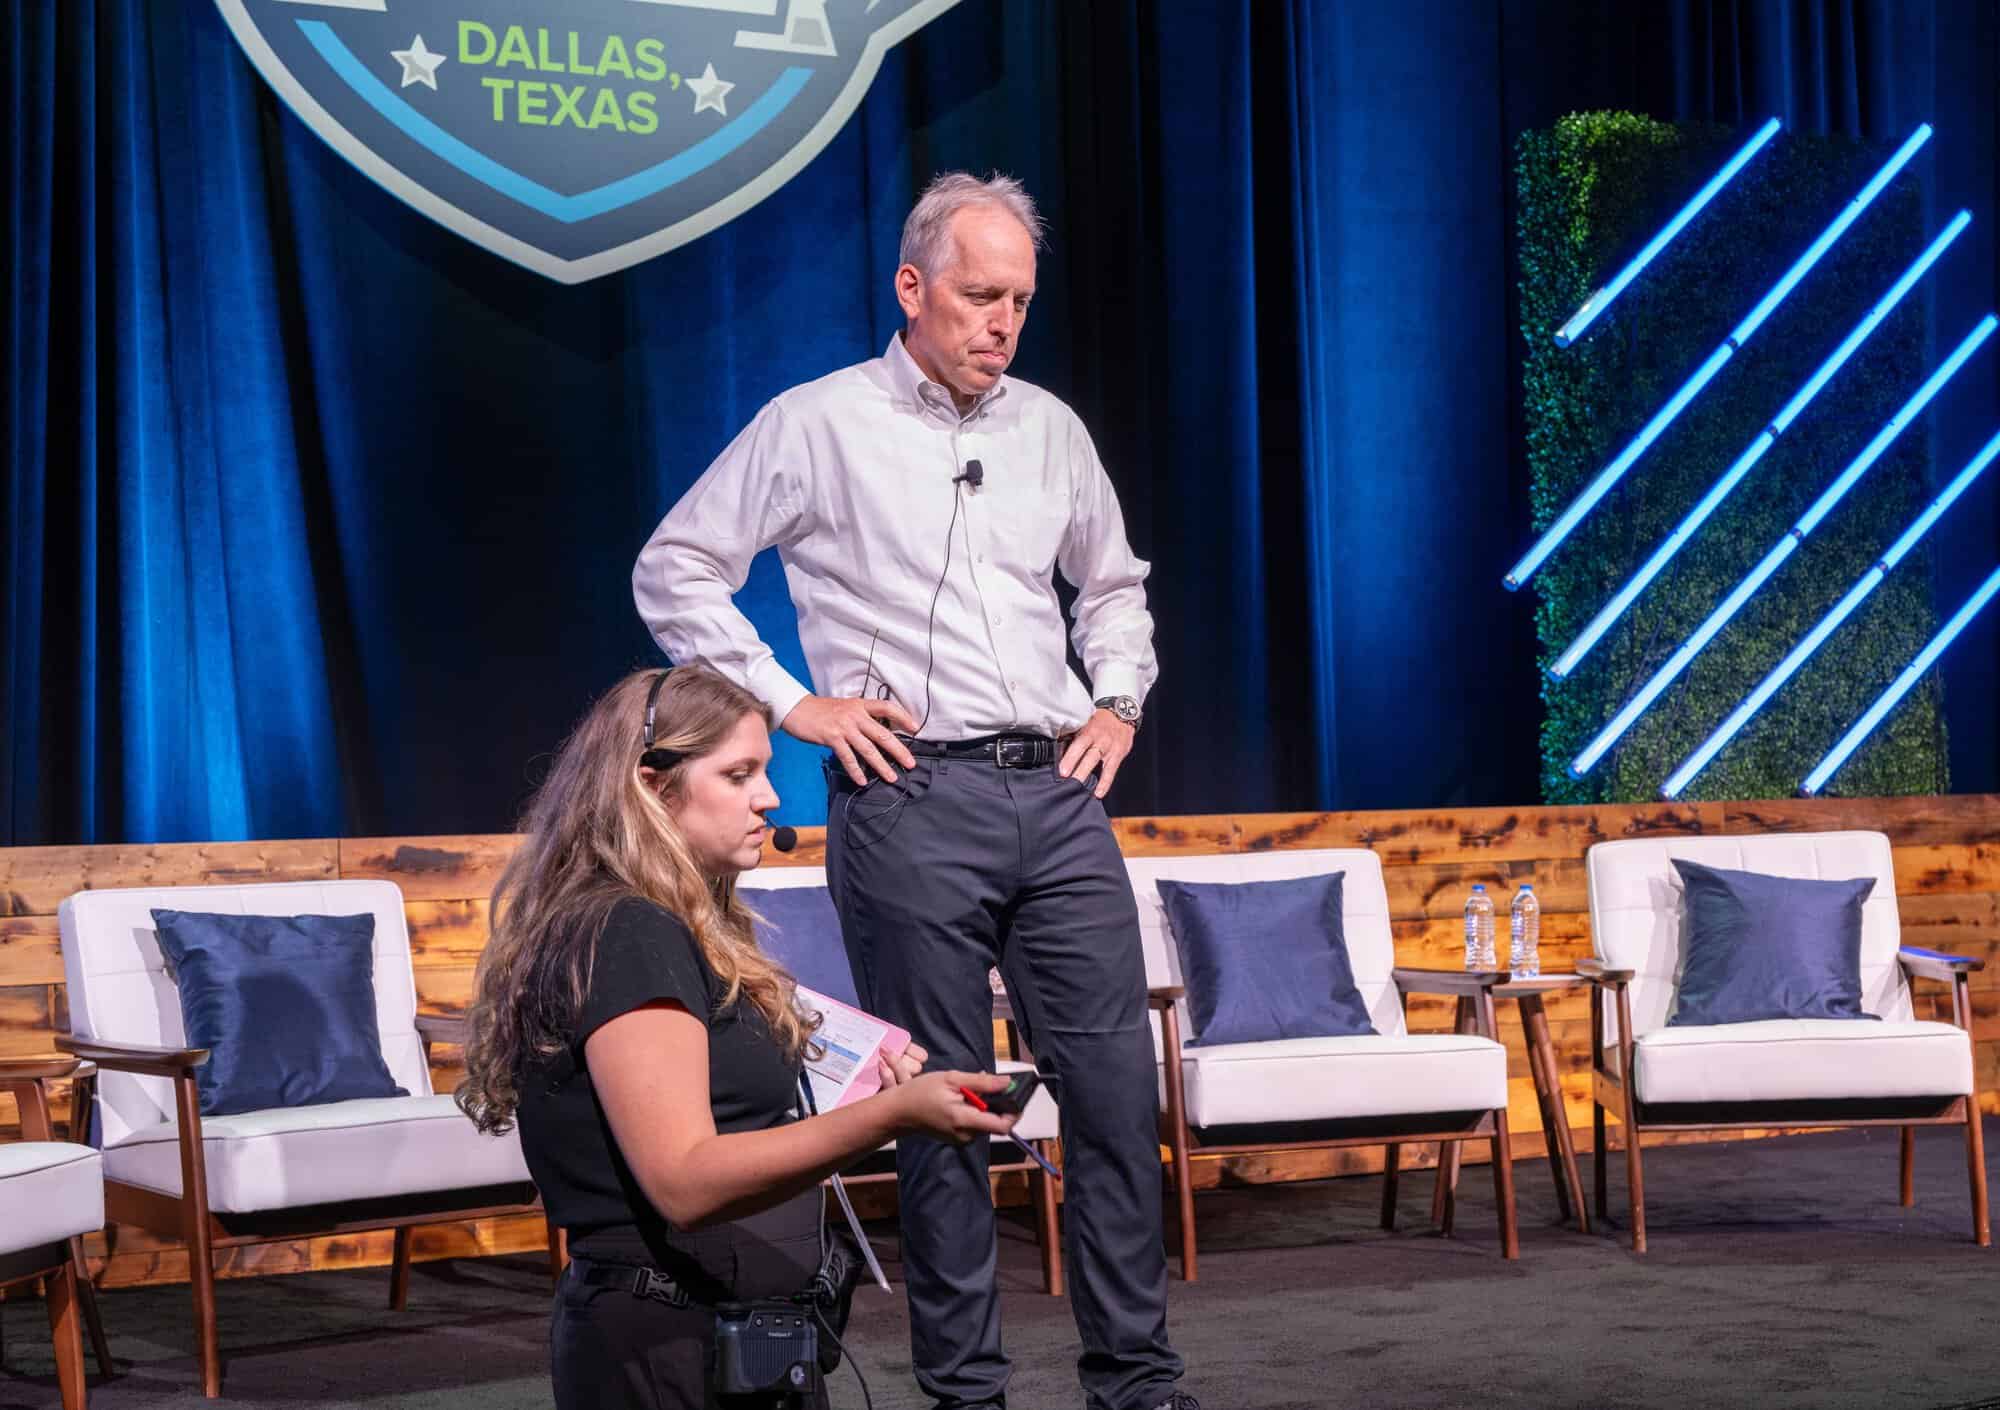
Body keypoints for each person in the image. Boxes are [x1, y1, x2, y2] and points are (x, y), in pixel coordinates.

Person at [633, 172, 1195, 1410]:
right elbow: (675, 567)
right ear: (912, 287)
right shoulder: (817, 421)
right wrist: (791, 706)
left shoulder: (1047, 428)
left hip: (1052, 796)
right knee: (940, 1113)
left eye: (1020, 301)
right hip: (905, 799)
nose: (1001, 321)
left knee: (1110, 1097)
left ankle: (1138, 1383)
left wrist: (1116, 699)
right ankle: (966, 1393)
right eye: (980, 294)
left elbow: (1112, 585)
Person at [457, 665, 1019, 1409]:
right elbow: (684, 1180)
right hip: (665, 1349)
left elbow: (722, 1103)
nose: (770, 797)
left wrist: (842, 1078)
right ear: (653, 787)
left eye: (765, 771)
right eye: (739, 774)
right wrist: (891, 1117)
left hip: (729, 1336)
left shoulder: (672, 928)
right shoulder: (627, 930)